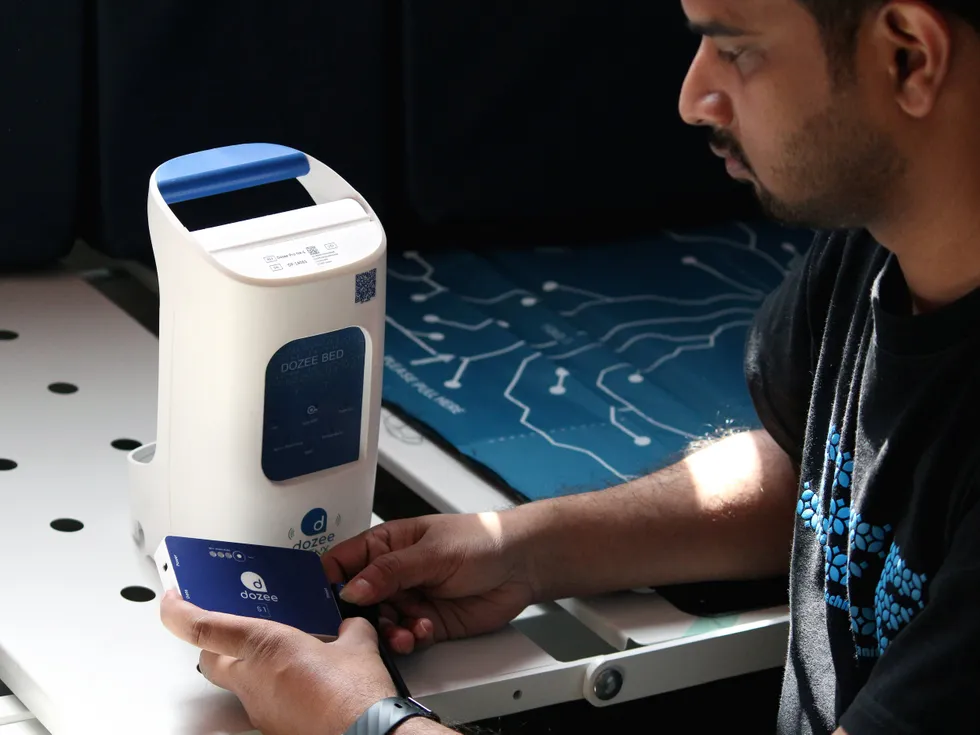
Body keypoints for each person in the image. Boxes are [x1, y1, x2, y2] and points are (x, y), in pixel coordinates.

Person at [160, 0, 980, 733]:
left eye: (735, 49)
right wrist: (528, 550)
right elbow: (814, 461)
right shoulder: (878, 246)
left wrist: (359, 720)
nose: (694, 98)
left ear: (908, 55)